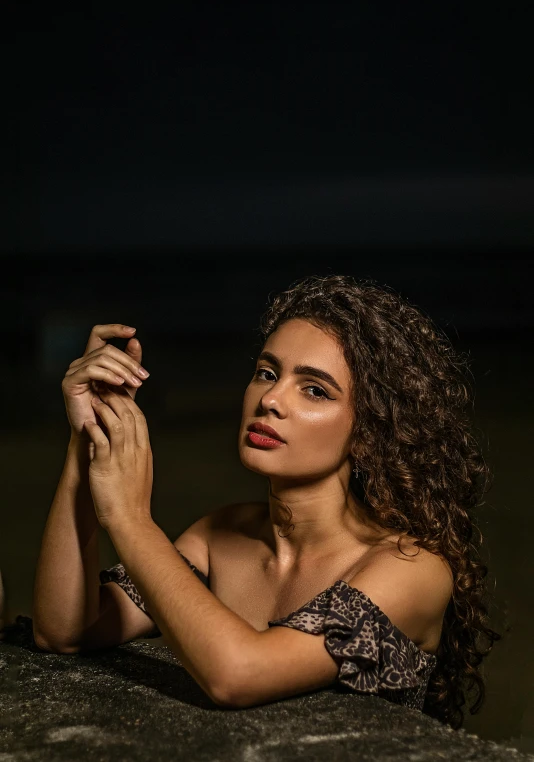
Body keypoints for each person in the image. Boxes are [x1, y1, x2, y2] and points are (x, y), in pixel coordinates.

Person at [32, 274, 501, 728]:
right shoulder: (219, 536)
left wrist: (131, 520)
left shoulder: (411, 568)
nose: (271, 398)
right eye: (266, 372)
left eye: (315, 389)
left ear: (368, 433)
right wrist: (88, 435)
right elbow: (64, 631)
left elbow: (237, 675)